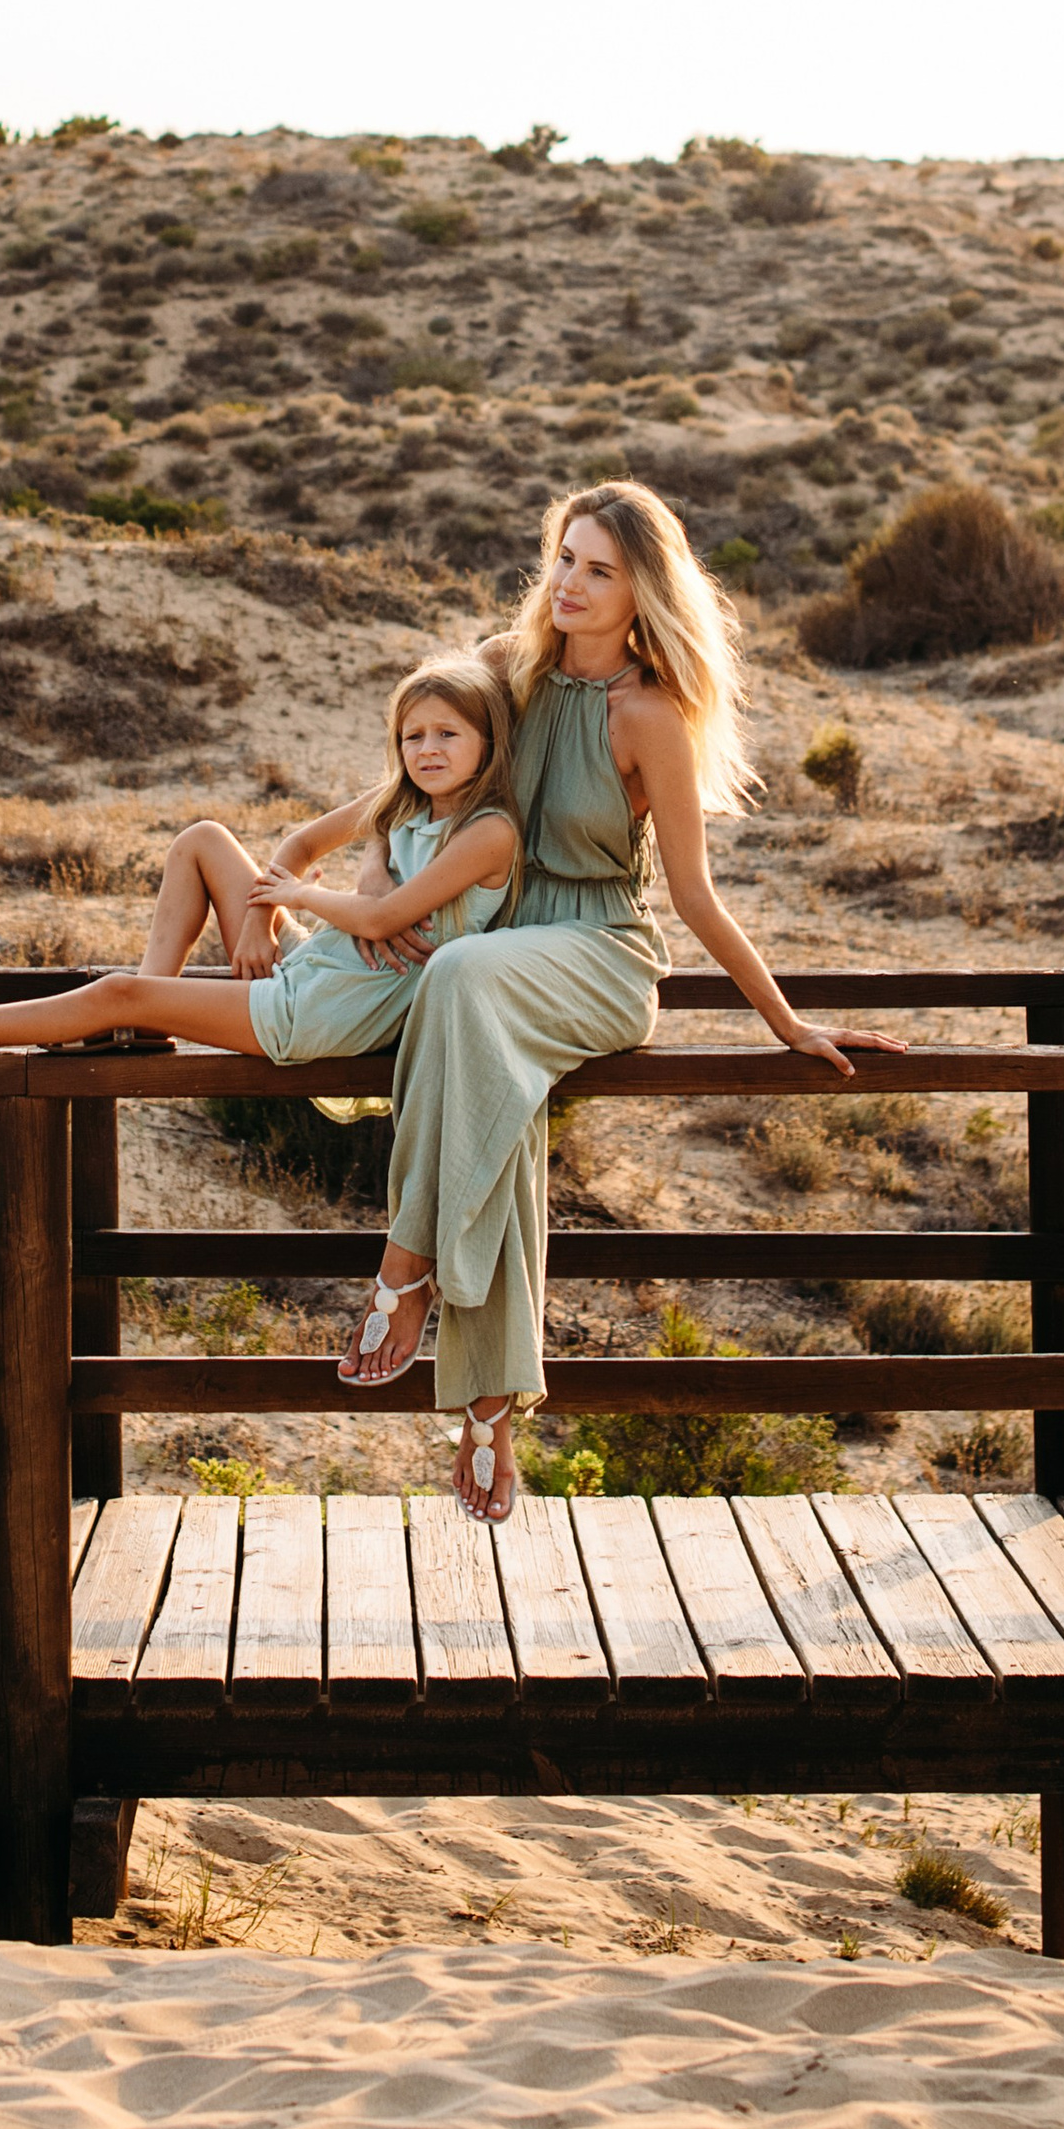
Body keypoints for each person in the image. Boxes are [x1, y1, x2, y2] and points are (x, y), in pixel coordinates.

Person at [338, 481, 907, 1529]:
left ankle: (405, 1265)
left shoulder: (649, 715)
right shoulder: (508, 673)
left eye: (599, 569)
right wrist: (355, 871)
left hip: (598, 954)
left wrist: (787, 1023)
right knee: (498, 1114)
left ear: (641, 590)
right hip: (503, 951)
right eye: (564, 556)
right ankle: (490, 1411)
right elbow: (410, 784)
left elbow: (693, 894)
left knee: (458, 978)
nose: (569, 582)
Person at [0, 654, 520, 1065]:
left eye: (448, 734)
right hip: (318, 961)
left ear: (487, 743)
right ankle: (146, 1012)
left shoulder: (489, 832)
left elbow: (383, 918)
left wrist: (294, 897)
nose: (427, 749)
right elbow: (297, 847)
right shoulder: (402, 800)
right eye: (413, 736)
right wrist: (259, 923)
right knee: (202, 838)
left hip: (330, 1008)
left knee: (115, 990)